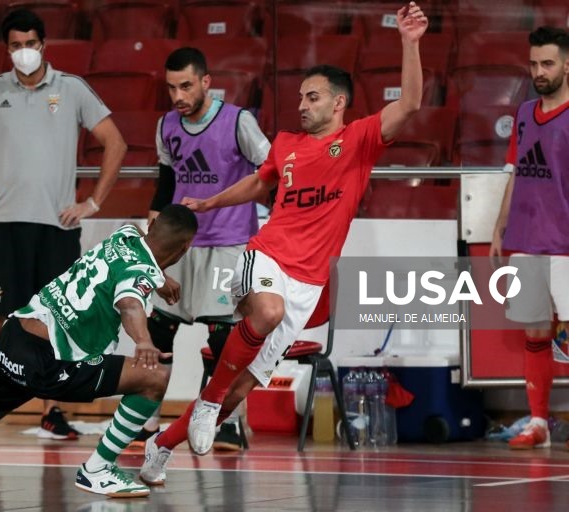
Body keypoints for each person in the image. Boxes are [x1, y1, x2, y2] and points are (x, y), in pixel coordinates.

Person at [139, 2, 428, 484]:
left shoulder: (359, 141)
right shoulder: (287, 144)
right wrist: (210, 202)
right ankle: (209, 401)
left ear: (339, 103)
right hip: (266, 255)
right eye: (300, 97)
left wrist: (409, 42)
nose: (302, 105)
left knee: (242, 387)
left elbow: (411, 104)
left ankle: (161, 446)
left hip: (308, 283)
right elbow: (259, 183)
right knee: (265, 314)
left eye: (313, 97)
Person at [0, 204, 198, 499]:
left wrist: (159, 279)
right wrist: (143, 340)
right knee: (154, 378)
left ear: (151, 224)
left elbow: (134, 248)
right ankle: (97, 470)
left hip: (12, 338)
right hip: (51, 361)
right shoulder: (140, 275)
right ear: (186, 247)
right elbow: (129, 304)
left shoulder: (125, 235)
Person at [0, 8, 127, 441]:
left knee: (56, 320)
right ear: (7, 49)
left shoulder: (72, 88)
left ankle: (52, 413)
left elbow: (115, 142)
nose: (24, 52)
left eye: (30, 44)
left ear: (43, 45)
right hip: (3, 226)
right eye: (16, 46)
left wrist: (92, 202)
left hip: (58, 228)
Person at [130, 47, 271, 452]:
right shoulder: (167, 125)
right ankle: (144, 421)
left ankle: (227, 422)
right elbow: (164, 184)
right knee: (159, 330)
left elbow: (271, 171)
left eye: (186, 86)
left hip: (228, 244)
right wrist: (154, 247)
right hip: (180, 246)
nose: (178, 95)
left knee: (224, 338)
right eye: (172, 87)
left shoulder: (239, 121)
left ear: (206, 82)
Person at [490, 26, 569, 450]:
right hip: (526, 239)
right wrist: (500, 226)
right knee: (536, 334)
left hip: (565, 243)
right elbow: (516, 171)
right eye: (534, 63)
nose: (539, 71)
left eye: (548, 63)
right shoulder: (523, 113)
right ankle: (539, 423)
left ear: (567, 66)